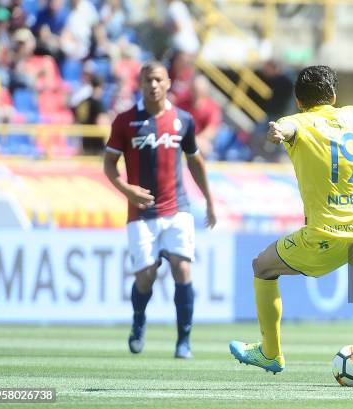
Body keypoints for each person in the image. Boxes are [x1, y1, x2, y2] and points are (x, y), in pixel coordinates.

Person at [228, 65, 353, 374]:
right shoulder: (352, 115)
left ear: (298, 101)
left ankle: (271, 353)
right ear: (334, 96)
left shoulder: (298, 121)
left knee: (262, 266)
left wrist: (278, 132)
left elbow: (286, 128)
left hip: (326, 233)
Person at [103, 61, 216, 359]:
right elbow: (108, 164)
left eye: (157, 80)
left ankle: (184, 341)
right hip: (141, 212)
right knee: (146, 277)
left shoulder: (183, 120)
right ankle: (139, 319)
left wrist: (210, 201)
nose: (152, 85)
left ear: (167, 83)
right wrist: (127, 189)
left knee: (183, 268)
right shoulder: (125, 121)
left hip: (177, 208)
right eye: (146, 81)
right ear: (139, 85)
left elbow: (195, 161)